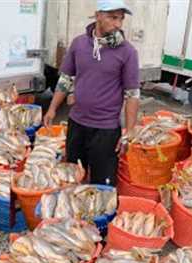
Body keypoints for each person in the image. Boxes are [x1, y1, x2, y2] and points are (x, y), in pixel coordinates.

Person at [43, 0, 140, 186]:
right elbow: (65, 79)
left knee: (102, 185)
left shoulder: (127, 52)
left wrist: (129, 130)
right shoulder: (79, 44)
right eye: (113, 17)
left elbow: (132, 94)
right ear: (98, 16)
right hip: (76, 124)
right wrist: (52, 109)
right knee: (73, 179)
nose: (118, 24)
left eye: (121, 18)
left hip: (106, 130)